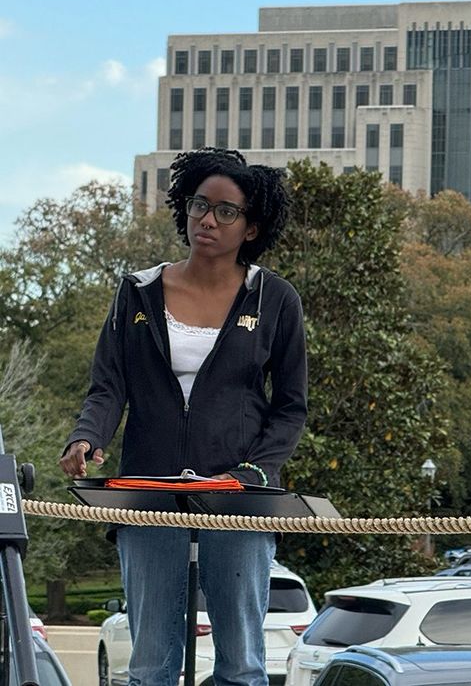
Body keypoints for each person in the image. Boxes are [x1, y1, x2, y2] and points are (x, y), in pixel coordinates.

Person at [59, 147, 307, 686]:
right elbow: (108, 387)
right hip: (146, 493)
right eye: (199, 205)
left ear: (251, 227)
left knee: (242, 666)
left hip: (240, 499)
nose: (207, 220)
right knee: (150, 667)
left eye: (226, 212)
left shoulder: (276, 299)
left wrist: (257, 472)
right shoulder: (136, 291)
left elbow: (290, 408)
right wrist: (87, 438)